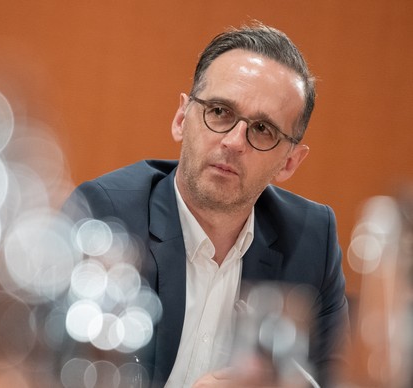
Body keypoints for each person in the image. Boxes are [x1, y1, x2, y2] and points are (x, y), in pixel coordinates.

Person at [62, 22, 349, 387]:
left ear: (289, 162)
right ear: (182, 119)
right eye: (219, 111)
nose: (233, 141)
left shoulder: (311, 240)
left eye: (263, 129)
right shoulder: (107, 217)